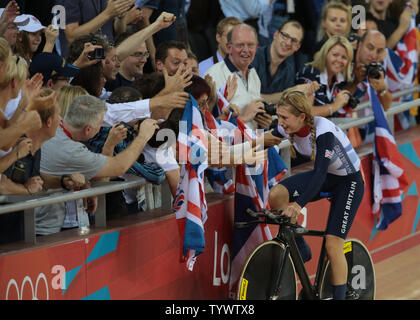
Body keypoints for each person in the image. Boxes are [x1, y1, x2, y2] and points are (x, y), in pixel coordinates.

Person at [268, 89, 364, 300]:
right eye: (279, 116)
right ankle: (299, 245)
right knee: (276, 195)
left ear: (302, 116)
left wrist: (298, 205)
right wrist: (230, 150)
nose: (280, 122)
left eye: (284, 117)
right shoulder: (288, 127)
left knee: (333, 245)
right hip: (328, 177)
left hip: (348, 183)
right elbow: (261, 140)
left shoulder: (324, 132)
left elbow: (319, 174)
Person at [36, 94, 159, 235]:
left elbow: (100, 180)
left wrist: (109, 145)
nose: (102, 127)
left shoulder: (56, 127)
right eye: (100, 124)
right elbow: (119, 167)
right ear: (88, 129)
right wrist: (143, 136)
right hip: (47, 229)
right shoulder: (72, 150)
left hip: (54, 221)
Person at [205, 23, 264, 130]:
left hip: (253, 143)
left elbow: (253, 122)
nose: (246, 50)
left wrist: (263, 123)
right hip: (227, 145)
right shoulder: (213, 75)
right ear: (229, 47)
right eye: (240, 45)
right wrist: (244, 117)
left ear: (257, 47)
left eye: (251, 45)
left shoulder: (254, 74)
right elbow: (206, 125)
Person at [296, 35, 353, 117]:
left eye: (344, 57)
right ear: (325, 54)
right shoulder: (310, 73)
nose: (339, 60)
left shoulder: (337, 78)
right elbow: (305, 112)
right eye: (335, 55)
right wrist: (334, 106)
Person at [252, 19, 304, 103]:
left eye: (294, 40)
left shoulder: (289, 71)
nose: (288, 43)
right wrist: (288, 94)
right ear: (275, 35)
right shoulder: (253, 57)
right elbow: (249, 98)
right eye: (285, 36)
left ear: (297, 47)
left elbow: (285, 106)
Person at [56, 0, 134, 57]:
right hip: (80, 64)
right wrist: (107, 14)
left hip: (107, 60)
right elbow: (71, 37)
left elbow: (119, 33)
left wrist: (121, 15)